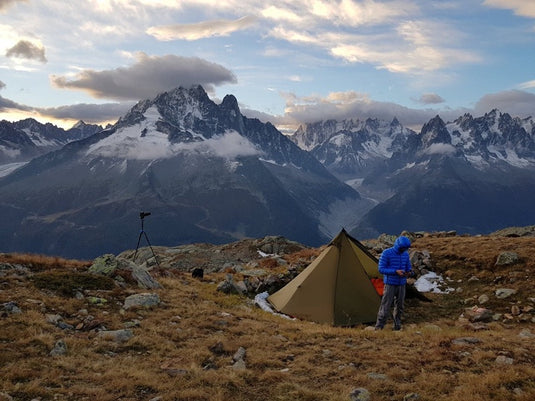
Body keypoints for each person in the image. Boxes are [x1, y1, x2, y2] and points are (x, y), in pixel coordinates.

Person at [375, 235, 413, 331]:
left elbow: (408, 267)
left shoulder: (405, 254)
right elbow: (381, 269)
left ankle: (397, 326)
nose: (404, 249)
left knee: (400, 306)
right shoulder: (387, 253)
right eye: (403, 248)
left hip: (401, 283)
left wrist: (409, 273)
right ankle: (379, 327)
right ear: (398, 246)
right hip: (390, 284)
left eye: (406, 248)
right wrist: (395, 271)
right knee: (386, 306)